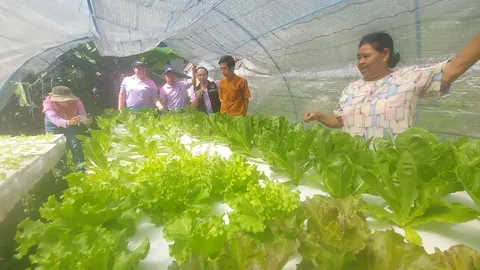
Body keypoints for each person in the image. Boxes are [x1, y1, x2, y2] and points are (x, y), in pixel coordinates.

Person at [304, 32, 480, 140]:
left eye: (366, 56)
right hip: (356, 166)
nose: (360, 62)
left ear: (385, 54)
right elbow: (341, 121)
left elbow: (452, 70)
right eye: (358, 58)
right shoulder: (351, 89)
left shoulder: (408, 78)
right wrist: (319, 116)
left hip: (391, 167)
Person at [42, 86, 93, 171]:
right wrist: (68, 122)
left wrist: (87, 121)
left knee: (75, 144)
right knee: (57, 147)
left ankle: (81, 170)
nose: (65, 101)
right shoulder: (47, 103)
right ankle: (61, 172)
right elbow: (54, 118)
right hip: (53, 124)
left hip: (72, 122)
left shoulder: (77, 101)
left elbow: (83, 114)